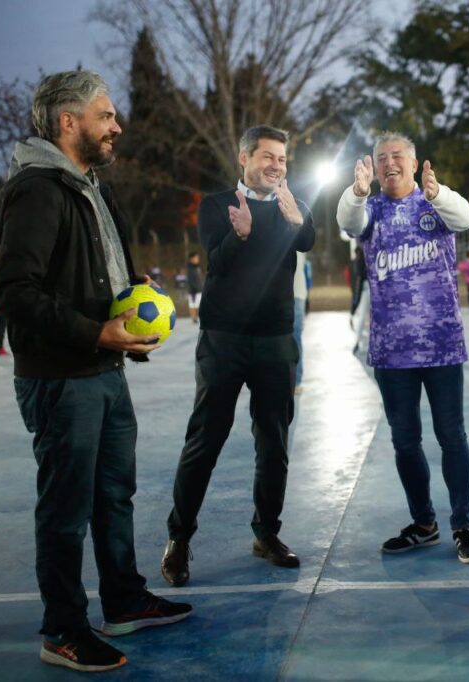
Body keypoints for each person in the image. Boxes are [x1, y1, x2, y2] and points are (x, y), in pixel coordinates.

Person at [0, 70, 191, 672]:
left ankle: (124, 600)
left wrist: (134, 294)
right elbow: (14, 291)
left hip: (103, 367)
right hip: (60, 376)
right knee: (65, 508)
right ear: (68, 121)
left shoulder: (91, 187)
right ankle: (63, 630)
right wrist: (92, 331)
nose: (117, 125)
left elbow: (95, 274)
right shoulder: (38, 189)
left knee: (114, 494)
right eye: (105, 115)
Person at [162, 125, 316, 587]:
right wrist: (241, 234)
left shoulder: (294, 207)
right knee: (204, 441)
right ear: (244, 158)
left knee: (274, 444)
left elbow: (308, 240)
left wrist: (295, 221)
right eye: (267, 156)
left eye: (282, 159)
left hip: (274, 340)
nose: (276, 166)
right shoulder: (216, 205)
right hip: (224, 339)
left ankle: (266, 533)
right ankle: (179, 539)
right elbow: (218, 261)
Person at [336, 131, 469, 564]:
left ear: (415, 162)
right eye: (381, 158)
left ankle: (462, 525)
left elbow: (466, 219)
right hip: (391, 351)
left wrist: (440, 194)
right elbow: (347, 222)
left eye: (397, 155)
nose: (389, 163)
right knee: (405, 442)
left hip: (441, 347)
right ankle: (424, 523)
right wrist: (356, 192)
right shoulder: (370, 209)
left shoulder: (435, 204)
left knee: (452, 436)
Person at [293, 252, 309, 394]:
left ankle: (296, 381)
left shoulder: (299, 244)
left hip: (297, 295)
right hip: (292, 295)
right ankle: (294, 381)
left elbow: (305, 272)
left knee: (296, 338)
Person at [186, 251, 203, 325]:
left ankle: (197, 318)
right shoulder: (189, 268)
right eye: (196, 258)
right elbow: (190, 280)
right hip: (193, 290)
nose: (197, 259)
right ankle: (194, 318)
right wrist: (194, 289)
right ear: (191, 259)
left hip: (199, 289)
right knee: (193, 305)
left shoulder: (198, 267)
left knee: (198, 304)